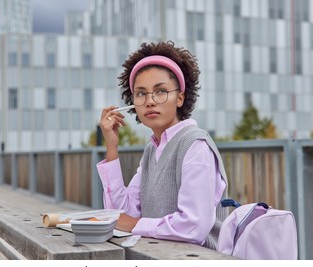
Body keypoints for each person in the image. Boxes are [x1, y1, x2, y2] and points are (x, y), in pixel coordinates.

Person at [97, 41, 228, 250]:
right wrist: (112, 147)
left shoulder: (196, 145)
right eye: (141, 93)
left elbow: (193, 226)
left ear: (180, 98)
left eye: (160, 91)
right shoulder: (152, 150)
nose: (149, 101)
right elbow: (122, 215)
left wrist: (136, 224)